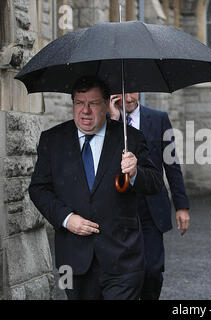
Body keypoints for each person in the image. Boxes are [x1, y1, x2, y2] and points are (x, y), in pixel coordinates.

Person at [28, 76, 163, 300]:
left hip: (122, 259)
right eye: (79, 103)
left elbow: (155, 183)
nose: (85, 111)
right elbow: (39, 189)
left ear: (106, 105)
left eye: (93, 103)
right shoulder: (53, 140)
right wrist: (66, 218)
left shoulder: (130, 139)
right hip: (74, 261)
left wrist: (136, 172)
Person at [109, 93, 190, 300]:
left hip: (151, 207)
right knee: (123, 272)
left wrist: (182, 206)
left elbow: (171, 163)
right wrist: (114, 122)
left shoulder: (159, 118)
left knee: (152, 270)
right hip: (118, 206)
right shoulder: (106, 120)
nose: (128, 97)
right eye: (123, 92)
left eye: (133, 91)